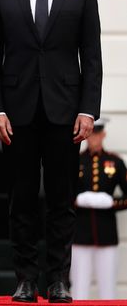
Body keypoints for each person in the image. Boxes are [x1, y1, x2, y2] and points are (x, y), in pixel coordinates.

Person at [0, 0, 102, 303]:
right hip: (15, 115)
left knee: (61, 200)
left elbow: (92, 57)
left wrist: (88, 110)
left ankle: (58, 281)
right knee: (21, 200)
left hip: (65, 113)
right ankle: (26, 280)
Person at [70, 119, 127, 300]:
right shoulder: (75, 161)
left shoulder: (115, 162)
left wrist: (111, 202)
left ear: (103, 135)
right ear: (86, 135)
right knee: (78, 285)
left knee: (108, 286)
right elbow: (61, 194)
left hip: (106, 233)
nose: (94, 138)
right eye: (91, 133)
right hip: (79, 233)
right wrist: (77, 199)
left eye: (97, 133)